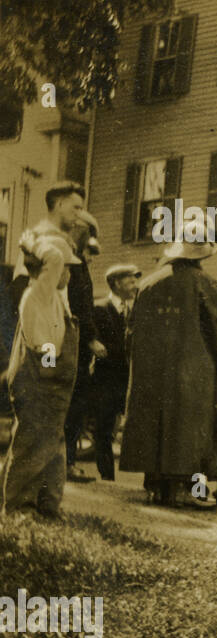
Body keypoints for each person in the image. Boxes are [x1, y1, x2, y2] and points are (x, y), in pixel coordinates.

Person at [119, 225, 217, 509]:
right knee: (191, 430)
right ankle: (185, 491)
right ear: (202, 255)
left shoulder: (147, 286)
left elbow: (130, 335)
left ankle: (156, 487)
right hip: (195, 375)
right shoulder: (209, 285)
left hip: (151, 375)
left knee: (156, 426)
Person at [10, 181, 108, 484]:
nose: (79, 216)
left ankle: (47, 495)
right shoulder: (40, 241)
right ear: (59, 203)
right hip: (45, 343)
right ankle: (22, 500)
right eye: (75, 208)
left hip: (63, 335)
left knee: (57, 416)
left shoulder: (64, 248)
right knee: (40, 417)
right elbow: (24, 294)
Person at [1, 233, 80, 518]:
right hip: (40, 381)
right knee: (32, 448)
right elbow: (44, 345)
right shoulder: (38, 293)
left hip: (52, 385)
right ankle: (19, 509)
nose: (69, 273)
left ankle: (47, 506)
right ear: (48, 268)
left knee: (52, 449)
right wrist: (34, 244)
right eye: (66, 268)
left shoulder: (54, 299)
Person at [89, 264, 141, 481]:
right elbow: (91, 341)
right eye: (130, 282)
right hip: (107, 381)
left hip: (129, 380)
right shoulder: (99, 309)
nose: (135, 286)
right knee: (104, 429)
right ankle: (107, 476)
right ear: (116, 284)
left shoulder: (138, 310)